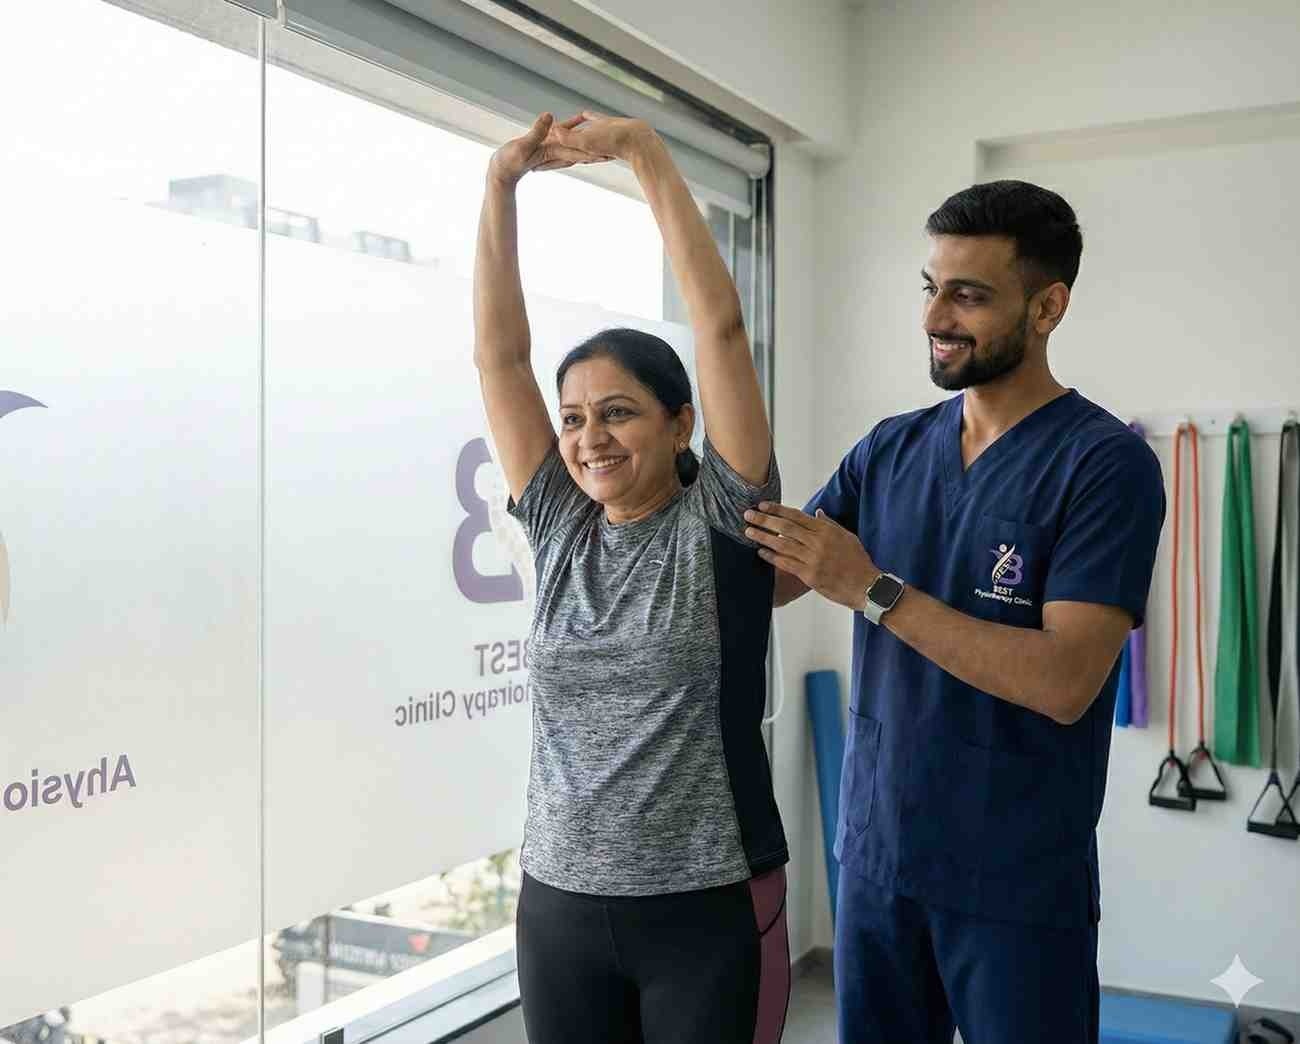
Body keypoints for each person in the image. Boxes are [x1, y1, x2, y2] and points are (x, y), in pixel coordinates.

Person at [744, 181, 1165, 1044]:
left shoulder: (1105, 465)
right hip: (878, 862)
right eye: (931, 288)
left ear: (1047, 306)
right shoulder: (893, 446)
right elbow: (775, 579)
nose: (937, 314)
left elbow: (1064, 682)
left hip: (1014, 884)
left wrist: (872, 590)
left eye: (969, 294)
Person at [473, 111, 790, 1044]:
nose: (587, 437)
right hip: (560, 907)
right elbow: (498, 358)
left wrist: (648, 157)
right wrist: (500, 184)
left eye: (617, 413)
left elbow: (723, 328)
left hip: (704, 906)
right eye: (572, 419)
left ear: (681, 423)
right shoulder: (564, 528)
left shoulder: (721, 522)